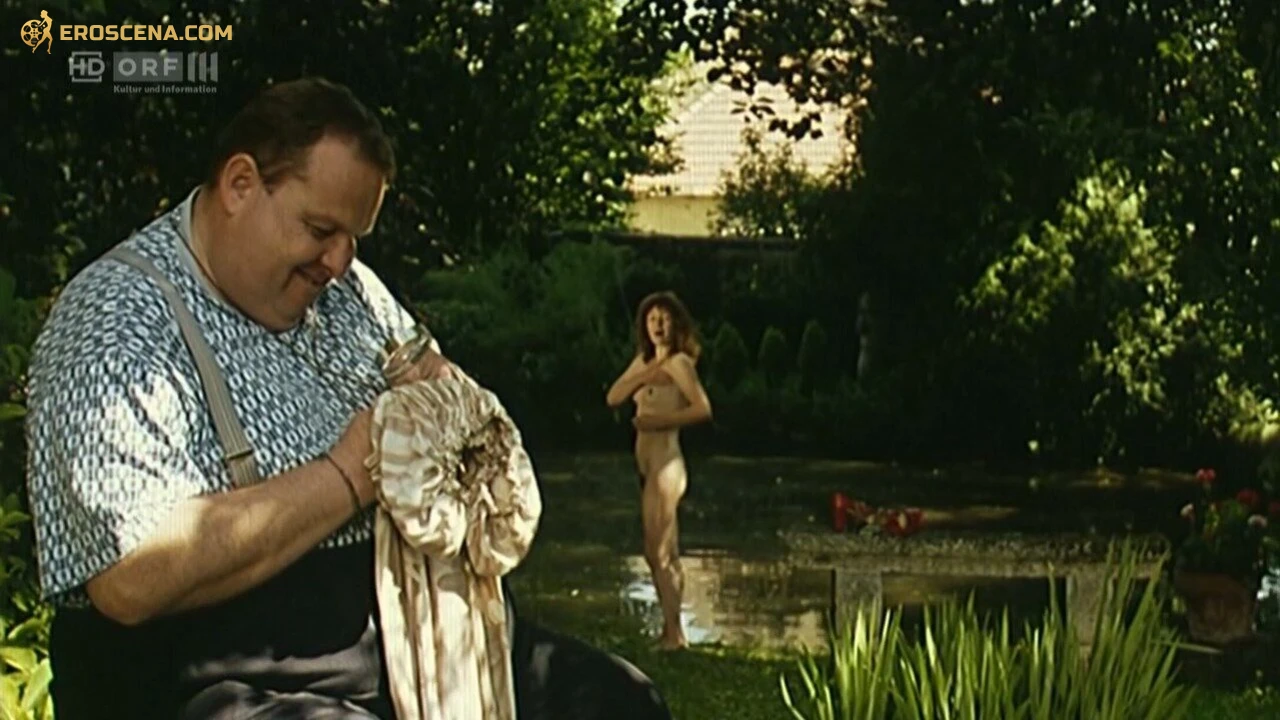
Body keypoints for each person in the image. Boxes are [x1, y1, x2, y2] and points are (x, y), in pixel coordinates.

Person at [25, 76, 670, 719]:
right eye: (320, 229)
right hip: (218, 672)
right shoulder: (117, 317)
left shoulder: (346, 288)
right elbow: (130, 577)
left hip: (402, 642)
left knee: (620, 702)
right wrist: (351, 471)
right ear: (240, 184)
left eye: (353, 238)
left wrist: (453, 410)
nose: (337, 262)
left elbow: (434, 380)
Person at [606, 291, 713, 650]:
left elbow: (703, 409)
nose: (658, 325)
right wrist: (648, 374)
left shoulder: (681, 364)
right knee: (664, 551)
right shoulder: (645, 362)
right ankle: (672, 631)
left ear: (676, 323)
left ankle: (674, 633)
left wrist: (658, 421)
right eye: (652, 319)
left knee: (659, 552)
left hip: (667, 466)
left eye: (665, 318)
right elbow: (614, 397)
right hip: (648, 465)